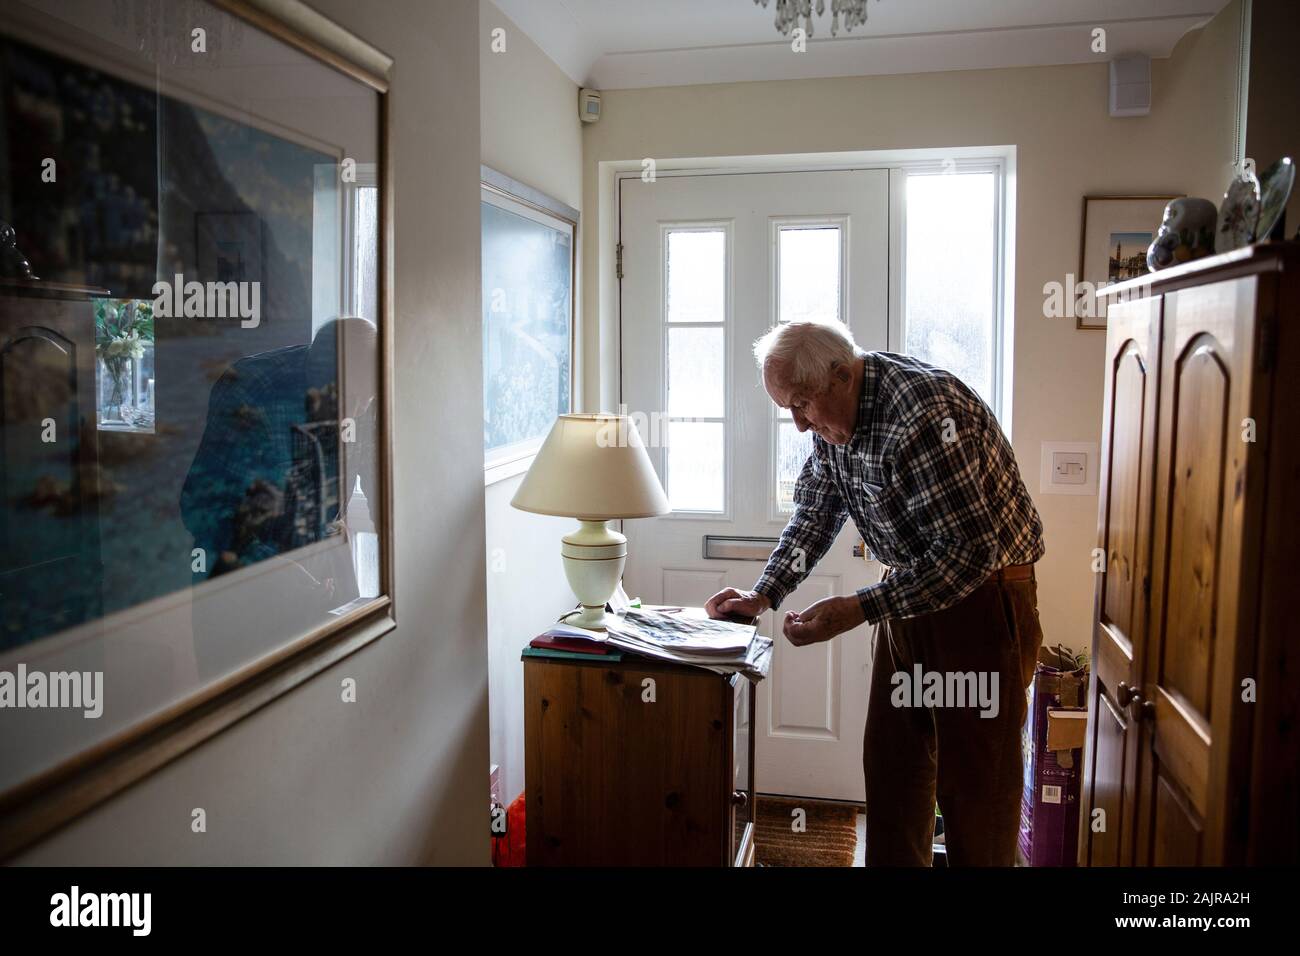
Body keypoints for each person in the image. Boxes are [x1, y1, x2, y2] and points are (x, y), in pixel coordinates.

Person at [704, 320, 1045, 866]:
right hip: (910, 593)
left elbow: (966, 555)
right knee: (894, 771)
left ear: (842, 375)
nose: (797, 424)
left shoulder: (924, 415)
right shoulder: (830, 420)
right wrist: (764, 594)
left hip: (982, 602)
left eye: (802, 404)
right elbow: (816, 512)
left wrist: (859, 609)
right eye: (787, 409)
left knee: (977, 792)